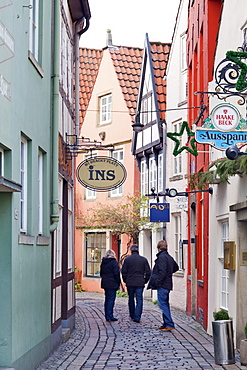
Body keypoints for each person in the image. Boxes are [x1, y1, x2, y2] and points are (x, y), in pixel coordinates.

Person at [147, 240, 179, 331]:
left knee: (163, 304)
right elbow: (176, 267)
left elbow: (162, 272)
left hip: (163, 284)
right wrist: (169, 273)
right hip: (167, 283)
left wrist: (158, 282)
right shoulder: (169, 257)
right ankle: (166, 323)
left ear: (158, 248)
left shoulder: (162, 257)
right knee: (165, 303)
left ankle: (169, 323)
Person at [121, 244, 151, 323]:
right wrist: (145, 280)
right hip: (140, 282)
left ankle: (132, 314)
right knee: (139, 299)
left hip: (130, 282)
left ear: (131, 250)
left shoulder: (127, 260)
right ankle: (137, 316)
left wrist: (125, 280)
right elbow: (148, 272)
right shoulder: (143, 260)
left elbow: (123, 271)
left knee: (131, 299)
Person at [100, 249, 121, 322]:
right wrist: (118, 282)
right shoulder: (114, 262)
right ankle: (110, 315)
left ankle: (107, 315)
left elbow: (101, 273)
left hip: (105, 283)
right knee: (111, 299)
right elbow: (116, 274)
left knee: (107, 299)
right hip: (112, 283)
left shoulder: (103, 262)